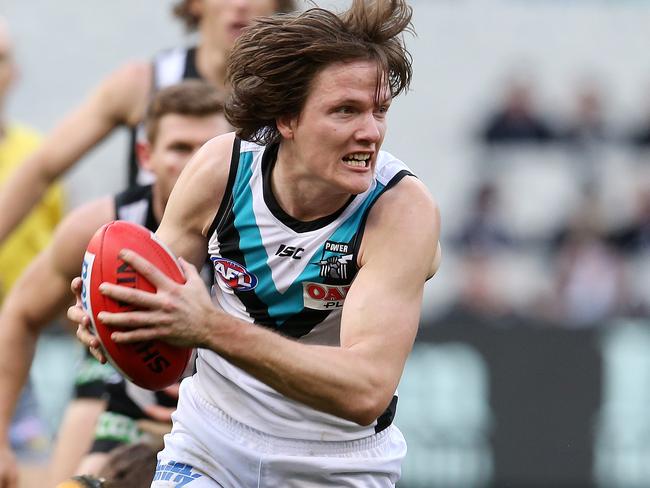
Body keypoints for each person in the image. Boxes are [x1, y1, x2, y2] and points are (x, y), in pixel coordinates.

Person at [71, 1, 442, 486]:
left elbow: (366, 390)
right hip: (210, 446)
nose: (370, 132)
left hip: (337, 463)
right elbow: (155, 292)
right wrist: (109, 318)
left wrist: (210, 328)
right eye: (345, 111)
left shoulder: (400, 210)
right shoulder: (221, 169)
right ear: (287, 119)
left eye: (379, 111)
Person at [0, 80, 230, 488]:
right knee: (85, 475)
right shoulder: (101, 227)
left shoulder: (262, 226)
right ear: (146, 155)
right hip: (127, 382)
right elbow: (20, 312)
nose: (196, 163)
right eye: (180, 148)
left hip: (227, 395)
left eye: (208, 148)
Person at [0, 0, 295, 245]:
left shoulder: (293, 99)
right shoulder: (145, 82)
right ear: (195, 4)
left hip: (248, 288)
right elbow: (41, 169)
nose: (240, 4)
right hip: (149, 272)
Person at [0, 15, 64, 462]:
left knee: (39, 449)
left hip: (34, 329)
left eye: (1, 60)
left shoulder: (34, 150)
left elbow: (54, 233)